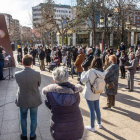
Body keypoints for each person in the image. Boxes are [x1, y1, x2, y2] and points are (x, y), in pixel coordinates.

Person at [42, 67, 84, 140]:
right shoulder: (75, 90)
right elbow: (77, 103)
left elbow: (49, 105)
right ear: (67, 78)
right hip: (75, 124)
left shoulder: (50, 93)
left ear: (55, 80)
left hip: (59, 124)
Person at [15, 55, 42, 140]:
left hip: (22, 98)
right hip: (34, 98)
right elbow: (38, 84)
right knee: (34, 117)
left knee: (23, 117)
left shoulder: (17, 74)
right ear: (32, 63)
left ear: (22, 63)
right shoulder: (37, 74)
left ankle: (23, 135)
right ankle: (32, 135)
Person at [81, 57, 105, 132]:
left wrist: (83, 72)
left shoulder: (91, 71)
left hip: (90, 92)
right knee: (97, 108)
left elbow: (83, 80)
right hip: (97, 92)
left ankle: (92, 127)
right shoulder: (103, 72)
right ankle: (99, 123)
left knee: (91, 110)